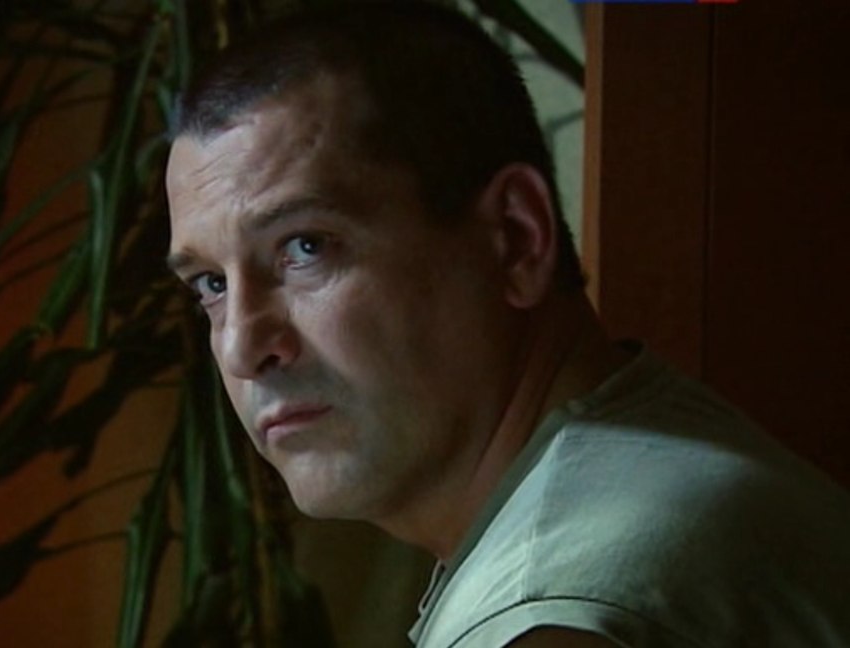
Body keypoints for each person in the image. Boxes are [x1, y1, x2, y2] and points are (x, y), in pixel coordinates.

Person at [163, 2, 850, 646]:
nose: (243, 346)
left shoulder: (558, 610)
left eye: (306, 247)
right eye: (211, 285)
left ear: (515, 239)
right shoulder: (644, 463)